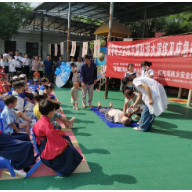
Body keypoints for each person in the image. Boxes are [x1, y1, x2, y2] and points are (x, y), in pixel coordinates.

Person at [33, 100, 83, 177]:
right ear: (50, 113)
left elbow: (51, 134)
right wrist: (64, 141)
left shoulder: (42, 120)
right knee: (69, 148)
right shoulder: (45, 123)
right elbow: (53, 136)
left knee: (65, 138)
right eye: (54, 110)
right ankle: (65, 168)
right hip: (45, 147)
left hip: (42, 143)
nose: (54, 112)